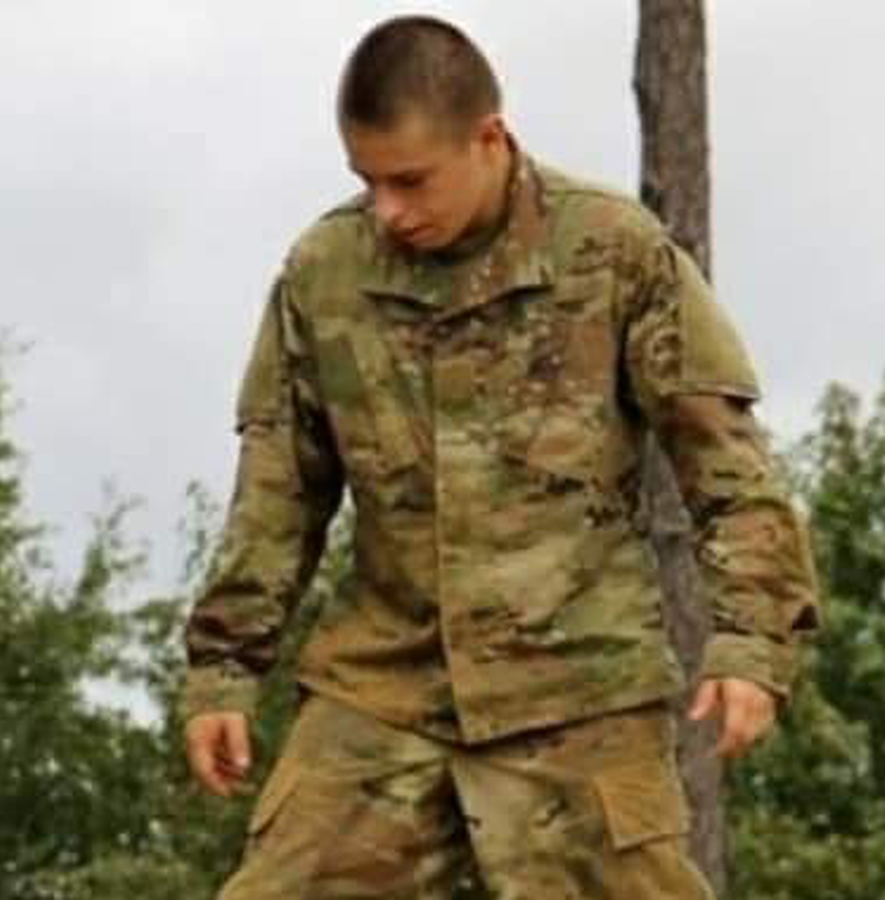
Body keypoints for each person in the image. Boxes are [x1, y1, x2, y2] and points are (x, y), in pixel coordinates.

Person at [182, 14, 820, 900]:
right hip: (383, 691)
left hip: (581, 693)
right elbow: (279, 489)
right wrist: (223, 668)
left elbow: (728, 468)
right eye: (368, 182)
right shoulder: (324, 273)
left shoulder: (614, 252)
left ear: (489, 138)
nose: (388, 211)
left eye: (410, 180)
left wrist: (751, 642)